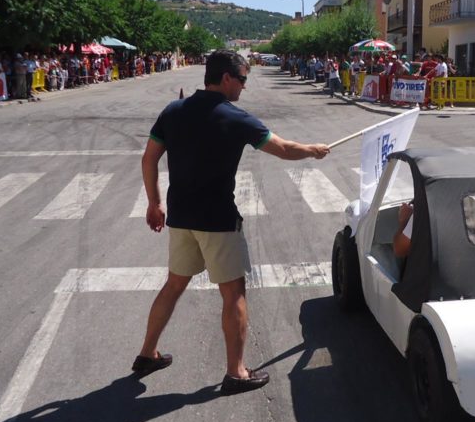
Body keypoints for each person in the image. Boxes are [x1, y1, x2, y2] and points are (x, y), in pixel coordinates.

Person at [134, 49, 330, 394]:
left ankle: (148, 352)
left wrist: (154, 203)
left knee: (174, 285)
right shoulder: (236, 118)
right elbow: (283, 149)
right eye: (242, 79)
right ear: (226, 78)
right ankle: (236, 372)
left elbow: (149, 158)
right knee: (233, 293)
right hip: (218, 221)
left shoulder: (173, 111)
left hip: (180, 217)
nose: (244, 87)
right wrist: (313, 150)